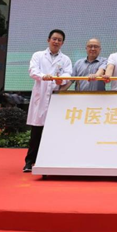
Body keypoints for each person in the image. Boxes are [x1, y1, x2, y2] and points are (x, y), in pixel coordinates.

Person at [24, 29, 72, 172]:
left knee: (53, 131)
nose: (56, 42)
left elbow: (68, 74)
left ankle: (50, 160)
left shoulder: (65, 59)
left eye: (59, 40)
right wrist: (43, 76)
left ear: (62, 43)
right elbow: (33, 70)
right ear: (48, 40)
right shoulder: (38, 55)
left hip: (56, 97)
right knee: (36, 132)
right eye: (54, 39)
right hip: (41, 94)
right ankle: (29, 162)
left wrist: (61, 80)